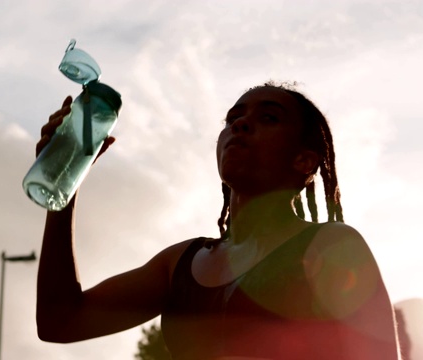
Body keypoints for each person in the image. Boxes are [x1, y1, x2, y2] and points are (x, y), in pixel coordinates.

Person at [35, 82, 400, 359]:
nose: (241, 124)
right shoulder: (180, 264)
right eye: (233, 117)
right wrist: (64, 179)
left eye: (268, 118)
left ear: (305, 162)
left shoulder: (331, 247)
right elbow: (60, 321)